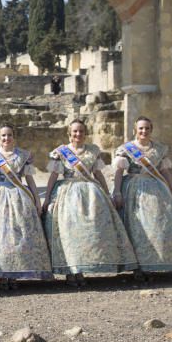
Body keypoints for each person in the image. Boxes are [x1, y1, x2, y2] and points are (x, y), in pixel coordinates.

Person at [42, 120, 137, 285]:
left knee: (90, 231)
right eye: (75, 132)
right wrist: (47, 198)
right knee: (70, 233)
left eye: (81, 131)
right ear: (69, 133)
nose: (78, 135)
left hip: (92, 194)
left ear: (85, 133)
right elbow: (53, 177)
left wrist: (108, 194)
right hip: (68, 194)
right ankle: (72, 271)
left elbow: (98, 174)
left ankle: (86, 267)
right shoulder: (61, 153)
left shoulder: (93, 151)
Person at [112, 116, 172, 279]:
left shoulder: (159, 149)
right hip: (133, 190)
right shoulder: (125, 149)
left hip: (156, 189)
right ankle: (137, 268)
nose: (144, 131)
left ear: (151, 130)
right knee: (136, 227)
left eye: (147, 128)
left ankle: (153, 262)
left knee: (156, 226)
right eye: (141, 128)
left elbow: (165, 172)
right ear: (135, 129)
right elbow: (118, 173)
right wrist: (116, 192)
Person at [0, 125, 53, 289]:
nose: (6, 138)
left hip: (20, 197)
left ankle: (15, 273)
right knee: (0, 236)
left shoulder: (23, 155)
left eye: (9, 135)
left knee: (20, 235)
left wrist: (37, 202)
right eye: (3, 135)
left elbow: (30, 180)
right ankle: (3, 273)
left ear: (14, 136)